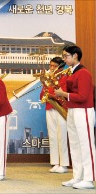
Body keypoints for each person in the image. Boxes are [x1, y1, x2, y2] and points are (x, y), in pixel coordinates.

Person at [54, 45, 95, 189]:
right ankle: (77, 176)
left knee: (86, 144)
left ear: (75, 55)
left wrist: (63, 94)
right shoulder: (71, 72)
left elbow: (83, 96)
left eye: (66, 56)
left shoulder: (83, 73)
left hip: (83, 110)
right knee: (75, 144)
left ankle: (89, 179)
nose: (64, 59)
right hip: (72, 110)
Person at [40, 57, 69, 173]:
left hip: (60, 108)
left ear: (60, 67)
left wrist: (50, 91)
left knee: (61, 136)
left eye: (53, 66)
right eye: (50, 65)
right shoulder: (49, 79)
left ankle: (64, 164)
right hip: (49, 107)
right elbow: (42, 95)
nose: (51, 68)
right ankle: (55, 162)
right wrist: (44, 83)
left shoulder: (65, 78)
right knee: (52, 136)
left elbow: (63, 93)